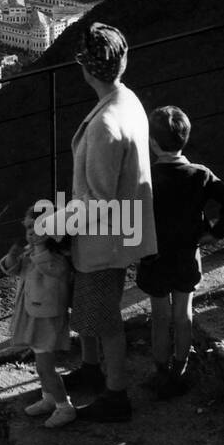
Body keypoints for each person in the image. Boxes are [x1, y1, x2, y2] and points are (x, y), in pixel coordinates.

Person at [62, 22, 159, 422]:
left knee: (104, 316)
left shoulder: (104, 125)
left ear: (85, 69)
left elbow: (98, 201)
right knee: (91, 307)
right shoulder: (127, 100)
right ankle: (90, 370)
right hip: (122, 227)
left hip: (105, 236)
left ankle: (116, 394)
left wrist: (55, 225)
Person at [137, 105, 224, 398]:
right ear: (185, 138)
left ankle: (160, 373)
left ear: (152, 142)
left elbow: (131, 217)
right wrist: (215, 233)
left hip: (154, 258)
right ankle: (179, 371)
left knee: (159, 318)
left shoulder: (145, 178)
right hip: (187, 256)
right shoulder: (201, 174)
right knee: (183, 316)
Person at [1, 209, 75, 428]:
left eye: (38, 228)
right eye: (28, 228)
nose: (31, 233)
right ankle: (49, 398)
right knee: (40, 363)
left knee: (45, 368)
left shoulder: (57, 258)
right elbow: (15, 270)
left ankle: (65, 407)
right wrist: (12, 259)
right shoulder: (31, 251)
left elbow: (51, 269)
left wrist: (39, 248)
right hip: (33, 315)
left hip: (47, 319)